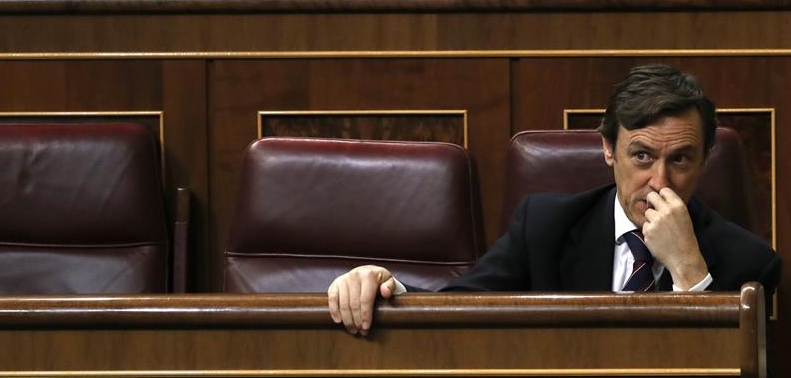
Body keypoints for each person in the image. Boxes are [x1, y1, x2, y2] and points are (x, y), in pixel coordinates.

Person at [327, 64, 781, 336]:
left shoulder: (749, 263)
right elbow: (458, 313)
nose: (659, 181)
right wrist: (385, 287)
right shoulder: (544, 226)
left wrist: (690, 275)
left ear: (705, 159)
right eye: (642, 156)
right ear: (608, 149)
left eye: (680, 159)